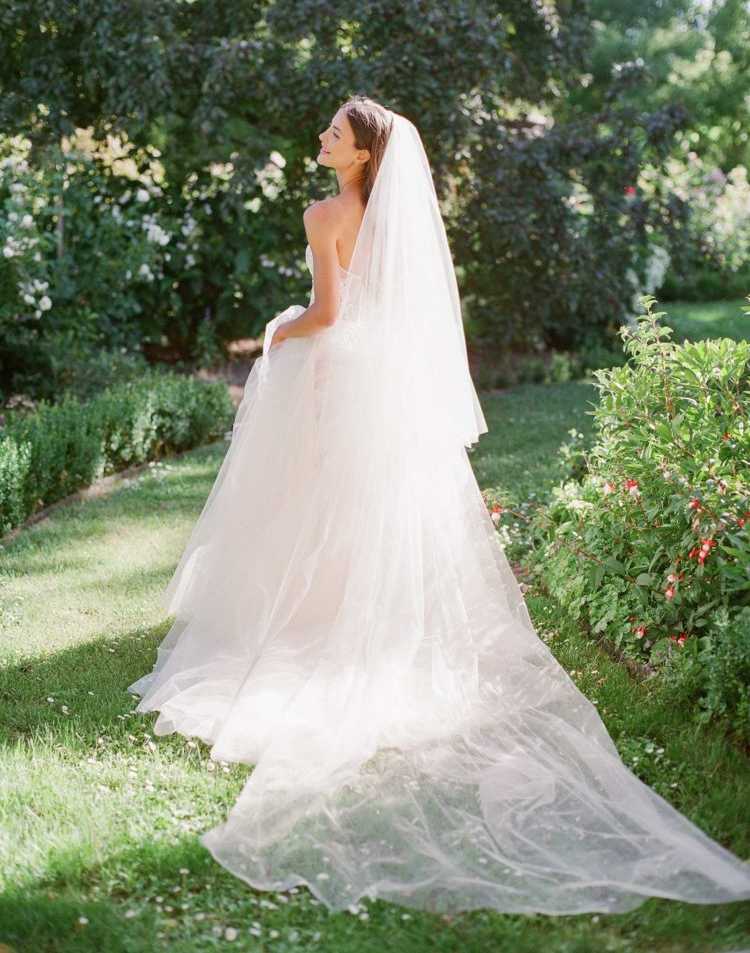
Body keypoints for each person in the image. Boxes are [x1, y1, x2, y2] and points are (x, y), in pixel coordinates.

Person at [129, 96, 750, 916]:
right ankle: (363, 629)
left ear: (359, 155)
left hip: (339, 377)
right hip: (385, 386)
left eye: (334, 134)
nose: (321, 138)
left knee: (319, 505)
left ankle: (311, 628)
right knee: (375, 511)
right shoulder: (392, 217)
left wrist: (277, 335)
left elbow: (327, 313)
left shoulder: (327, 214)